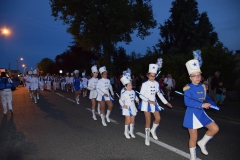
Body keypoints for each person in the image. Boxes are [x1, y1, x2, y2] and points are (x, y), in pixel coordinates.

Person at [184, 56, 219, 160]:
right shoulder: (188, 88)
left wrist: (212, 104)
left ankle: (202, 142)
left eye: (199, 75)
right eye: (194, 76)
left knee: (215, 129)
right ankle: (193, 157)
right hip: (192, 114)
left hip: (201, 113)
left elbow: (206, 97)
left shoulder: (203, 86)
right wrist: (201, 105)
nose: (197, 78)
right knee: (193, 137)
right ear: (190, 77)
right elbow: (187, 102)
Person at [138, 63, 172, 146]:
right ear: (148, 75)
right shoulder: (145, 84)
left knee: (158, 118)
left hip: (154, 103)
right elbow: (140, 95)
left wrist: (166, 102)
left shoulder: (157, 83)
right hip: (146, 103)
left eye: (154, 76)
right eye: (151, 76)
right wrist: (149, 100)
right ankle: (147, 137)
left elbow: (159, 94)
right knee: (148, 121)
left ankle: (153, 130)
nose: (152, 77)